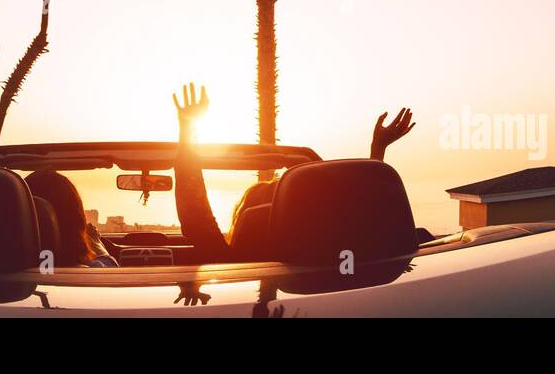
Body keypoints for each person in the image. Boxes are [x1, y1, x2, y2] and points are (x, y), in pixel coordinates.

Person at [171, 83, 416, 262]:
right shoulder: (334, 263)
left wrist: (188, 126)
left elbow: (196, 215)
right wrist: (377, 151)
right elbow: (354, 212)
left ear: (243, 220)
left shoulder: (228, 266)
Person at [0, 20, 117, 268]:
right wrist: (96, 244)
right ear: (76, 225)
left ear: (18, 215)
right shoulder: (96, 278)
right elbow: (107, 262)